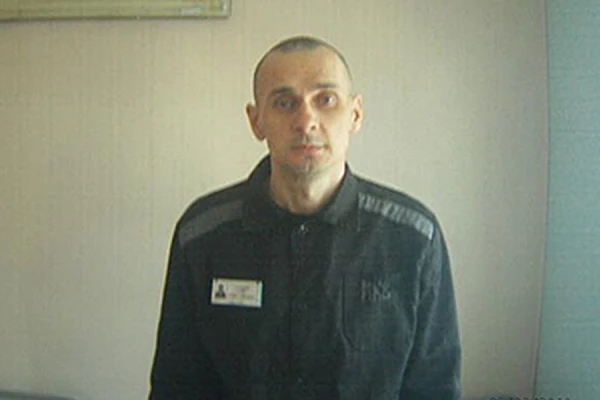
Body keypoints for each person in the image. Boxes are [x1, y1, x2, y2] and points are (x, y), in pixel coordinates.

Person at [149, 35, 461, 399]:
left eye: (325, 100)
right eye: (284, 103)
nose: (306, 120)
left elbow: (435, 387)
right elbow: (176, 386)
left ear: (355, 114)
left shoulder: (414, 239)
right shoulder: (202, 235)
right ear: (256, 121)